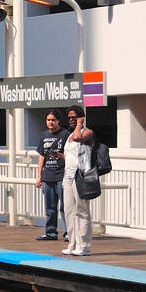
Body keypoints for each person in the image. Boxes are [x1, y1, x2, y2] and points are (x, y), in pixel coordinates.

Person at [61, 106, 95, 256]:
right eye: (69, 118)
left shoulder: (87, 132)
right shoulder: (69, 136)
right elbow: (70, 154)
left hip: (81, 175)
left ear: (81, 117)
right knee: (69, 211)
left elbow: (78, 138)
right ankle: (72, 243)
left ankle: (84, 245)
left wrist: (80, 124)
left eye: (74, 117)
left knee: (82, 211)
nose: (71, 120)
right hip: (68, 176)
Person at [34, 110, 69, 240]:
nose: (51, 122)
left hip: (61, 175)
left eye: (53, 120)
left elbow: (71, 155)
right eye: (48, 120)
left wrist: (62, 156)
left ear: (58, 121)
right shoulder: (43, 135)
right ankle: (50, 233)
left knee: (65, 207)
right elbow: (41, 156)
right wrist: (39, 176)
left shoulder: (66, 135)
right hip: (47, 175)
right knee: (50, 207)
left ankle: (68, 233)